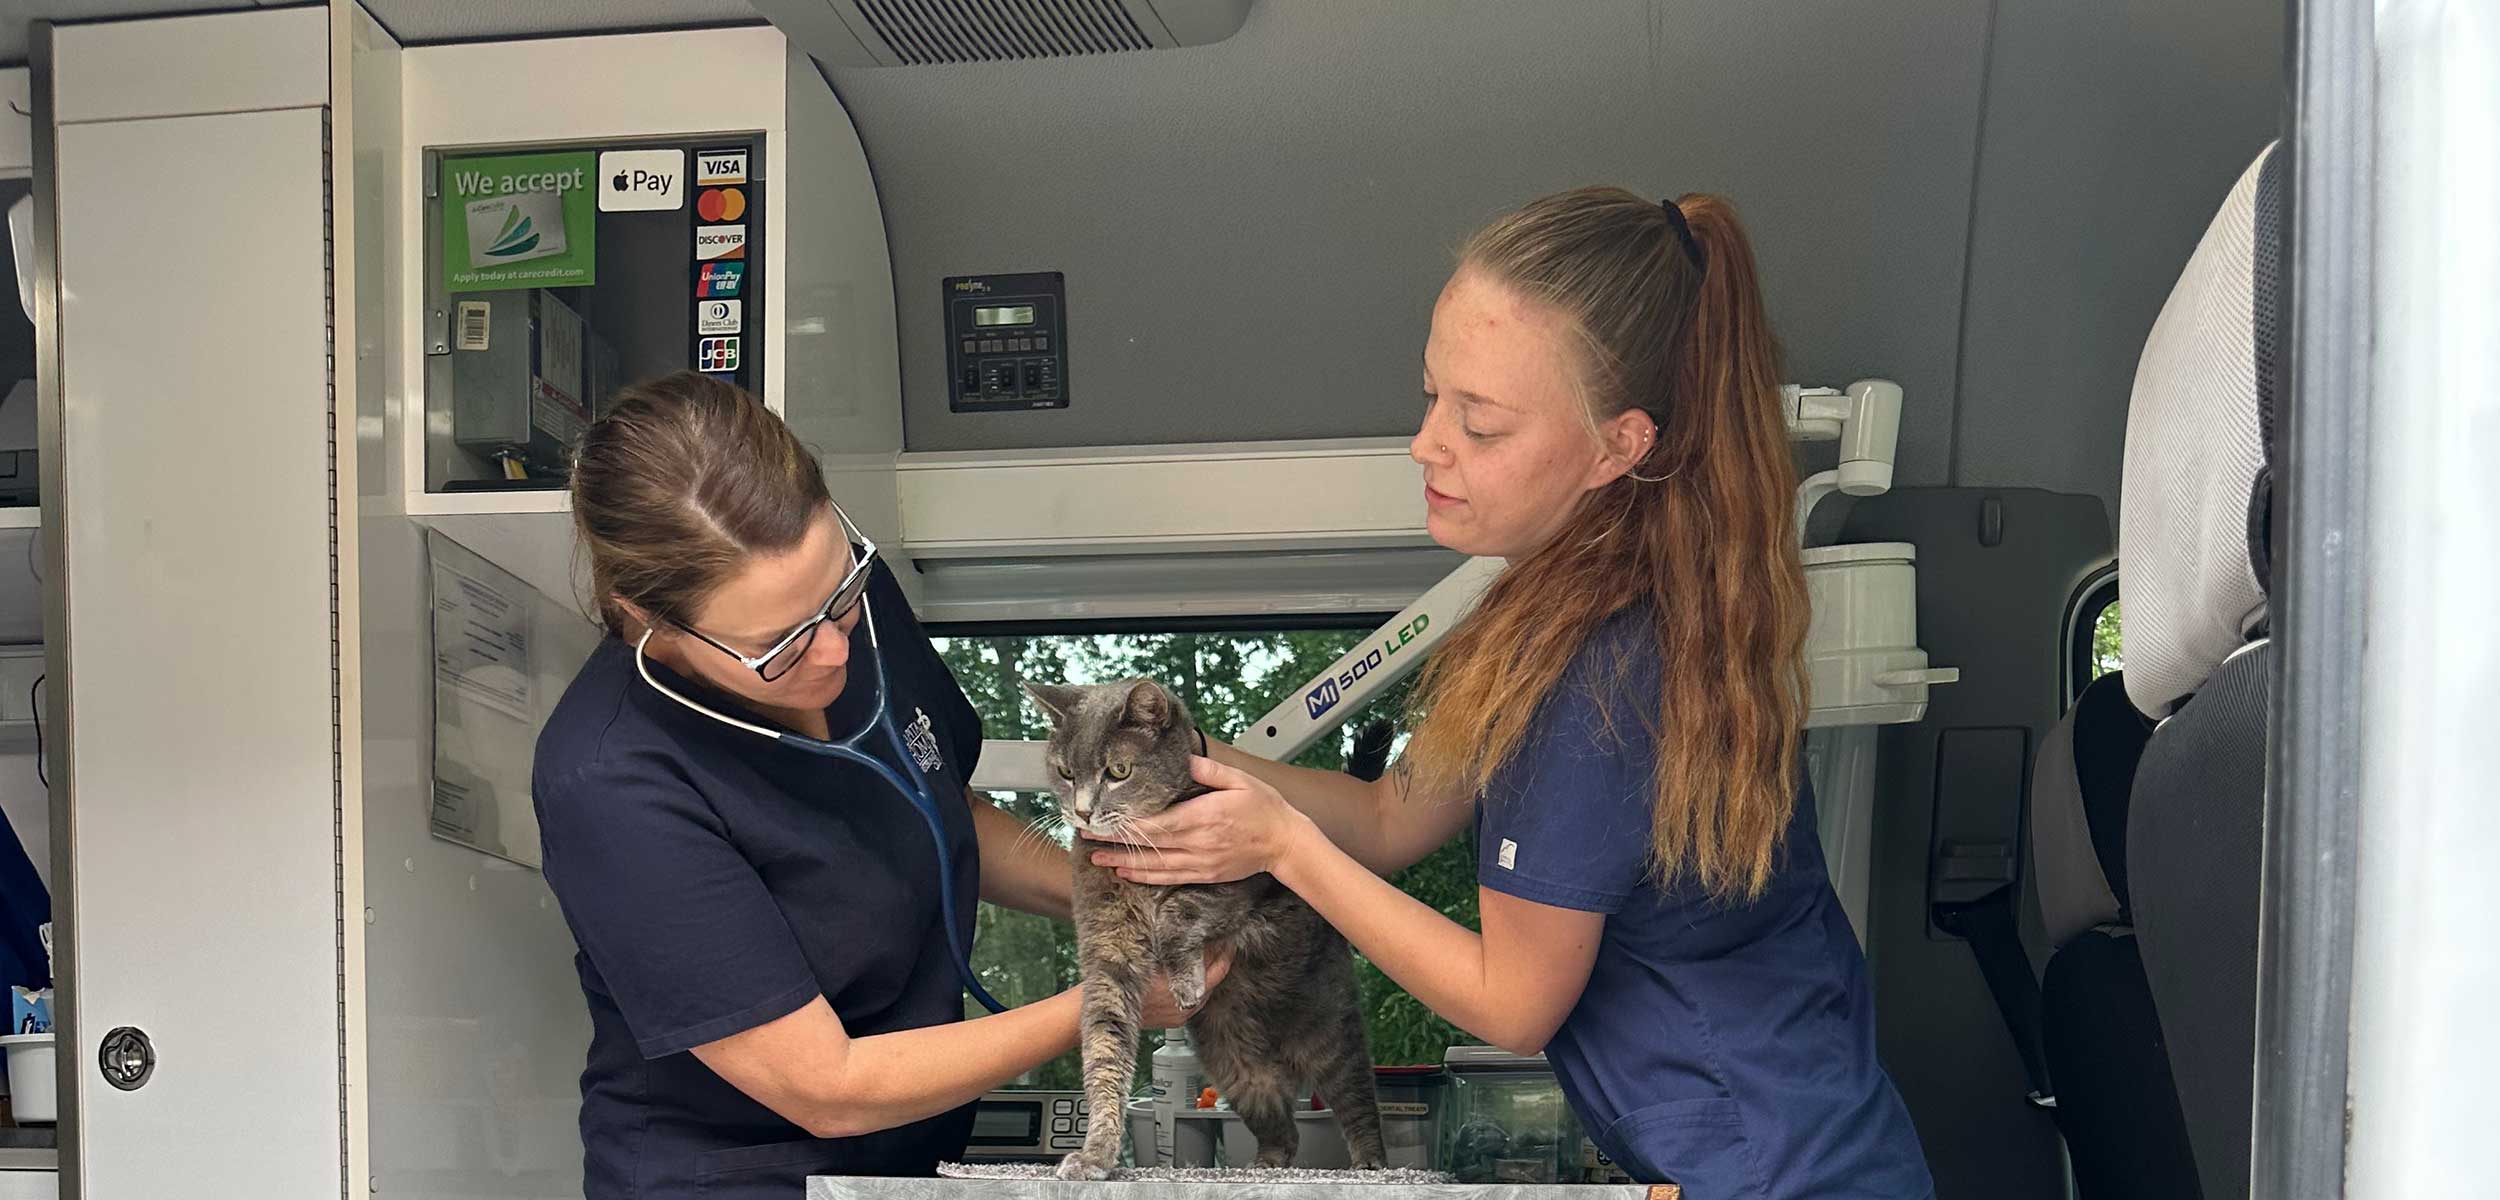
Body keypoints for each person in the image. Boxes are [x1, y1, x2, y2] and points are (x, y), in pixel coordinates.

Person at [1088, 188, 1937, 1198]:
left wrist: (1280, 846)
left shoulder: (1605, 676)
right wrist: (1186, 759)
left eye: (1479, 424)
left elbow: (1512, 1004)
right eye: (1429, 396)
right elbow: (1393, 816)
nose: (1426, 444)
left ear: (1620, 446)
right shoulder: (1546, 612)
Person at [531, 372, 1219, 1200]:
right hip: (738, 1179)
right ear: (647, 618)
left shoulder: (846, 596)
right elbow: (825, 1086)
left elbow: (939, 810)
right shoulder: (612, 782)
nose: (832, 651)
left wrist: (1156, 877)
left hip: (910, 1163)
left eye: (841, 596)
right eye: (777, 645)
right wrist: (1111, 998)